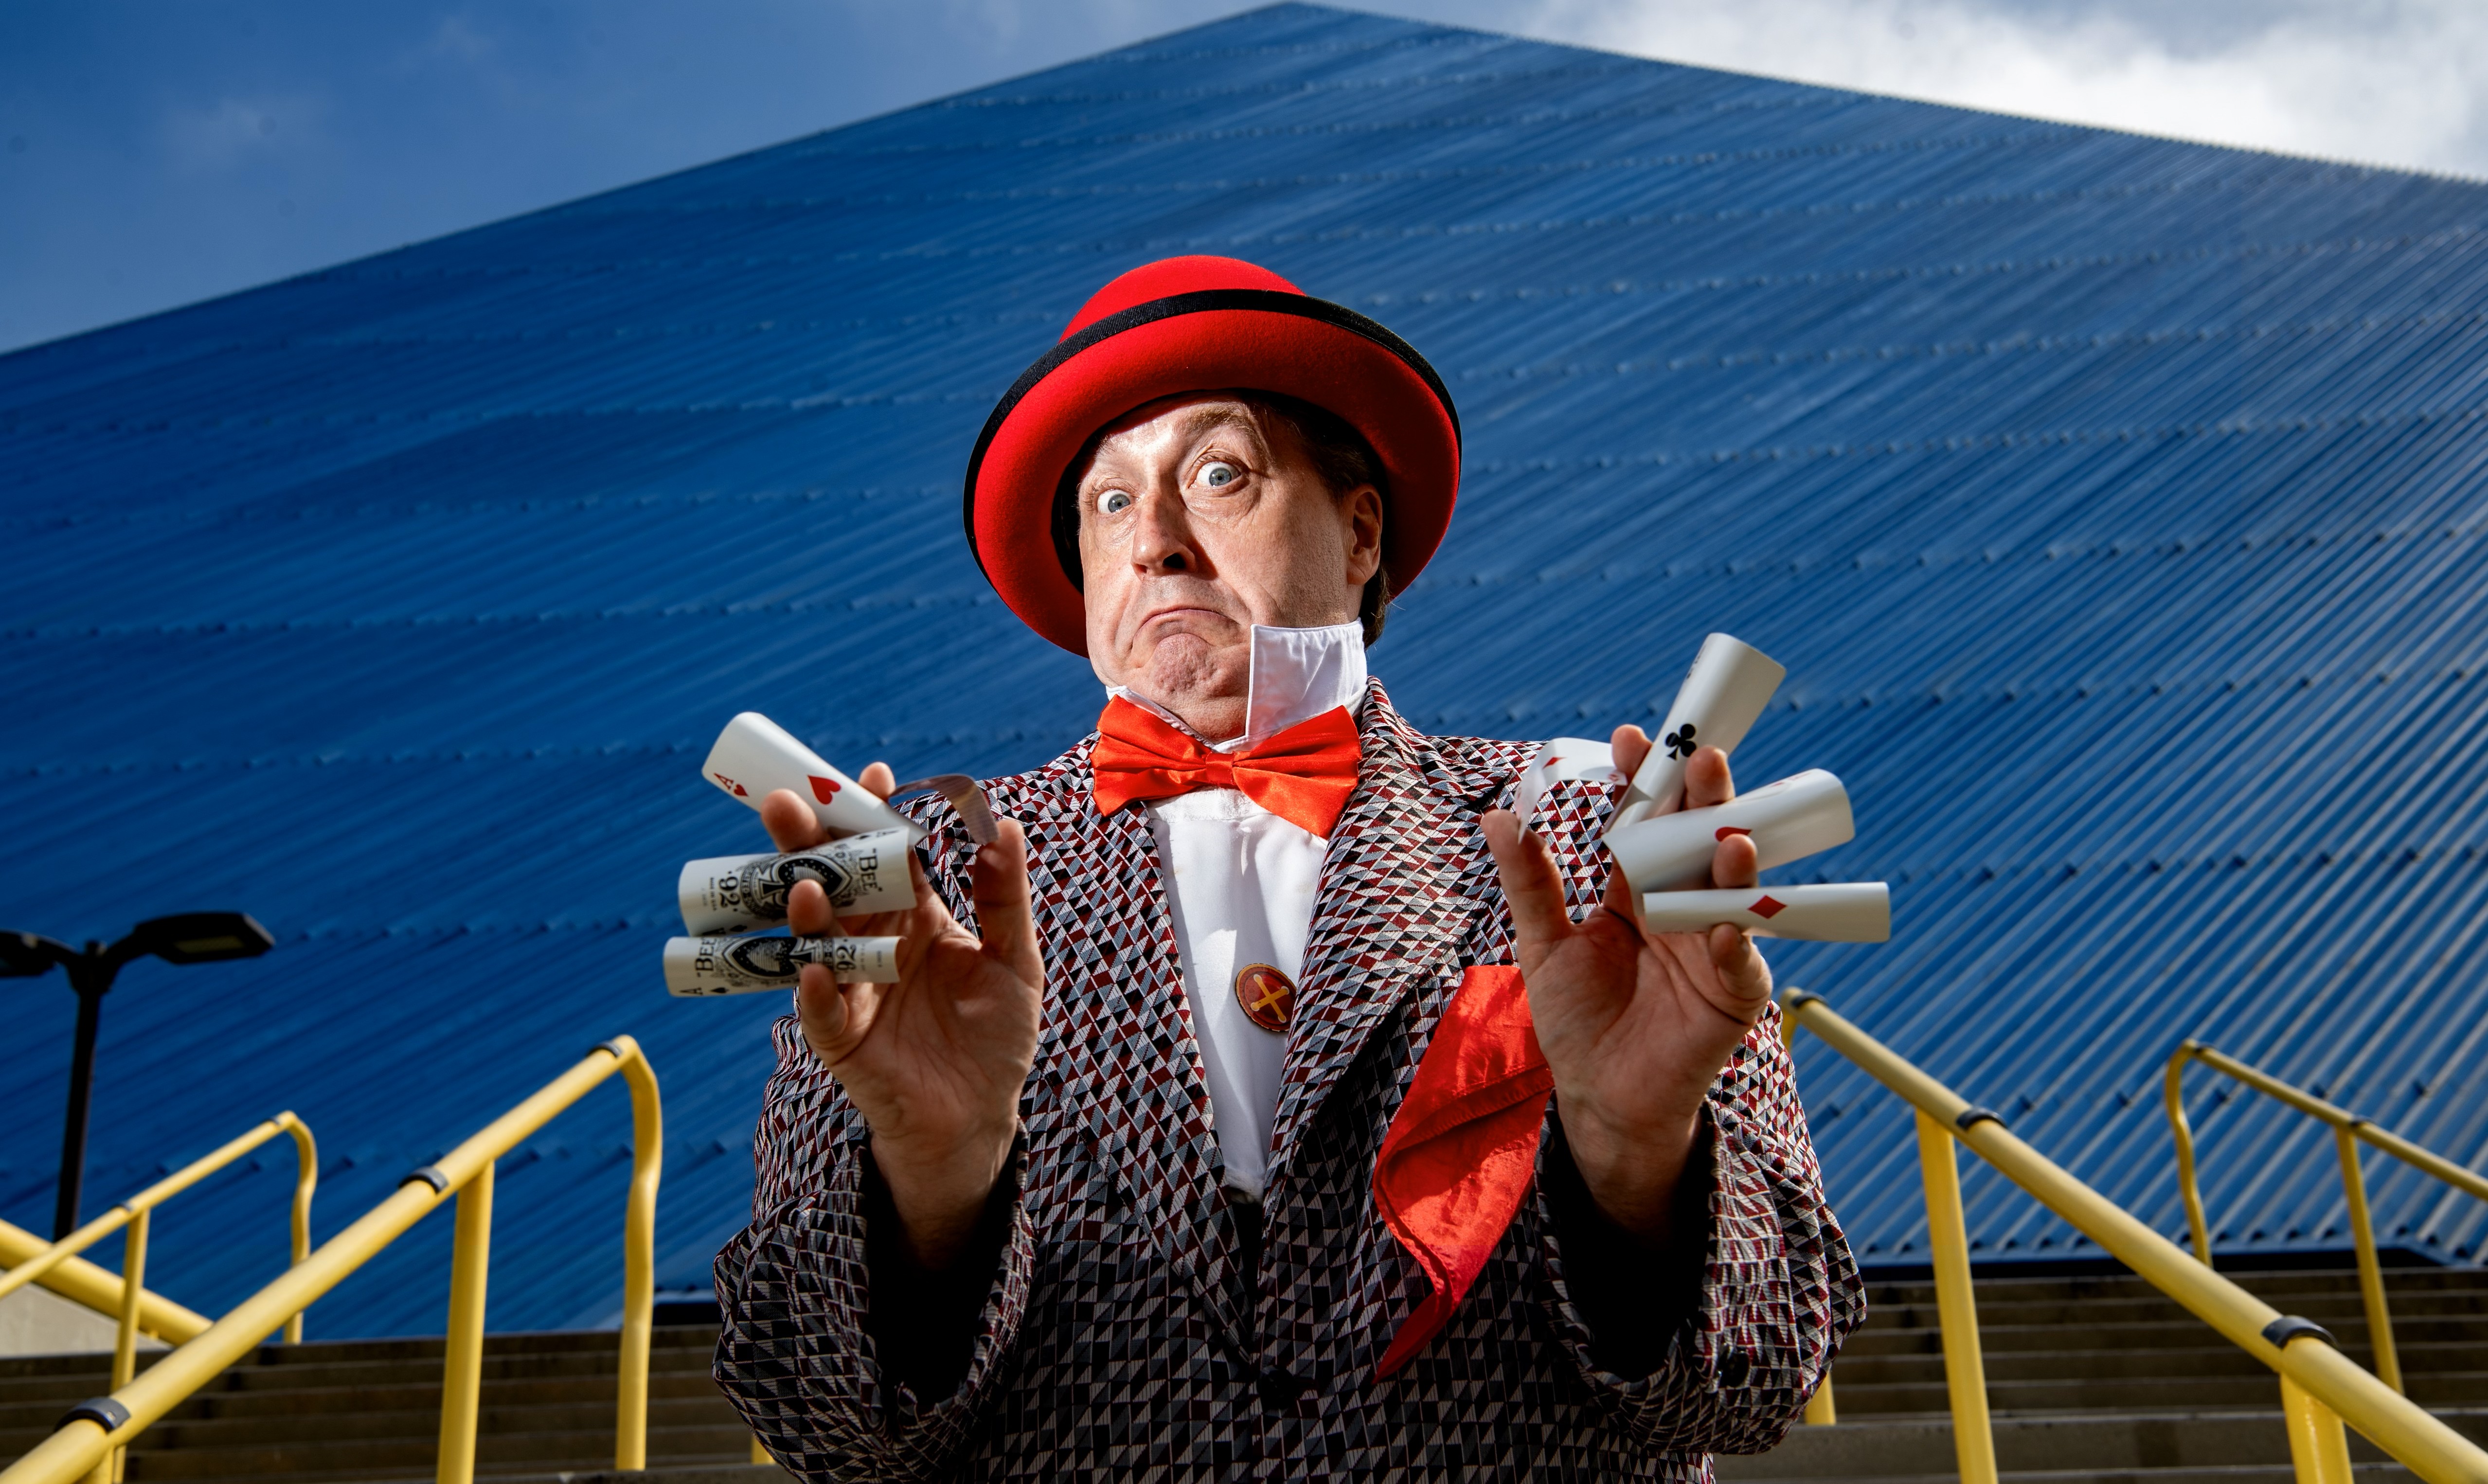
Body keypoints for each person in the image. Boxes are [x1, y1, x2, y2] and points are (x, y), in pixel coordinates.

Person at [714, 256, 1862, 1481]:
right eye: (1106, 505)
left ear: (1359, 529)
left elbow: (1754, 1381)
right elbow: (816, 1417)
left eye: (1218, 475)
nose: (1153, 540)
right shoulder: (914, 875)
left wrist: (1638, 1153)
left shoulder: (1594, 833)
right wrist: (931, 1186)